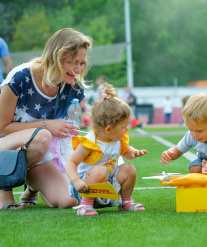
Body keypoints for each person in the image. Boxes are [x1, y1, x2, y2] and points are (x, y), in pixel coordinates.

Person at [0, 28, 93, 210]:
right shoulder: (21, 77)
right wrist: (47, 125)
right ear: (56, 57)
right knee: (42, 136)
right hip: (5, 148)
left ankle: (32, 187)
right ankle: (4, 187)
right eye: (73, 62)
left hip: (36, 153)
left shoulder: (73, 88)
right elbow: (1, 127)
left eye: (82, 63)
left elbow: (65, 135)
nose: (79, 69)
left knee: (70, 199)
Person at [65, 84, 148, 216]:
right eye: (124, 127)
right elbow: (71, 163)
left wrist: (132, 152)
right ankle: (85, 205)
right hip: (85, 188)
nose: (126, 130)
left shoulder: (117, 138)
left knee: (129, 168)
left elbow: (124, 151)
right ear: (108, 129)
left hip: (108, 187)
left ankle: (125, 201)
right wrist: (76, 181)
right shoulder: (90, 142)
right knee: (100, 170)